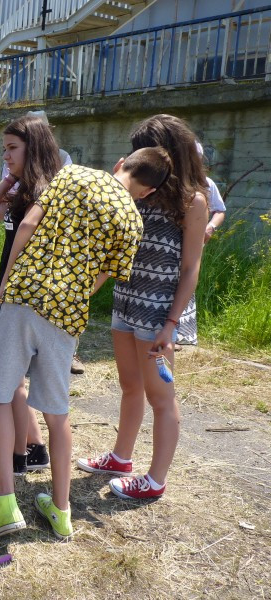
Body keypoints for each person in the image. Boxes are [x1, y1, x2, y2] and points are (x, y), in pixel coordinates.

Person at [0, 144, 167, 540]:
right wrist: (74, 291)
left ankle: (5, 505)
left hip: (24, 295)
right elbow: (102, 276)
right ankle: (62, 511)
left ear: (121, 162)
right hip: (67, 314)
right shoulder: (134, 222)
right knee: (57, 414)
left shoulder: (72, 174)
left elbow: (28, 227)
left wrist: (3, 288)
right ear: (148, 191)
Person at [78, 114, 208, 501]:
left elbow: (190, 269)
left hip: (158, 315)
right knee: (129, 386)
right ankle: (121, 458)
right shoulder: (136, 193)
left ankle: (155, 479)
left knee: (160, 396)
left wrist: (172, 325)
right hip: (125, 303)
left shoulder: (192, 202)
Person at [0, 115, 63, 477]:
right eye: (3, 149)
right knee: (13, 382)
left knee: (10, 382)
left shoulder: (45, 197)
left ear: (34, 147)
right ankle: (37, 448)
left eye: (12, 149)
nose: (6, 156)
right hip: (9, 293)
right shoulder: (21, 192)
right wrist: (11, 177)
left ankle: (18, 455)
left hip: (22, 298)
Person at [175, 141, 226, 346]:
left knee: (186, 280)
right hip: (168, 245)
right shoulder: (169, 182)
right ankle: (169, 331)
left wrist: (210, 227)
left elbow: (220, 210)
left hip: (192, 242)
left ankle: (179, 333)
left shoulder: (206, 183)